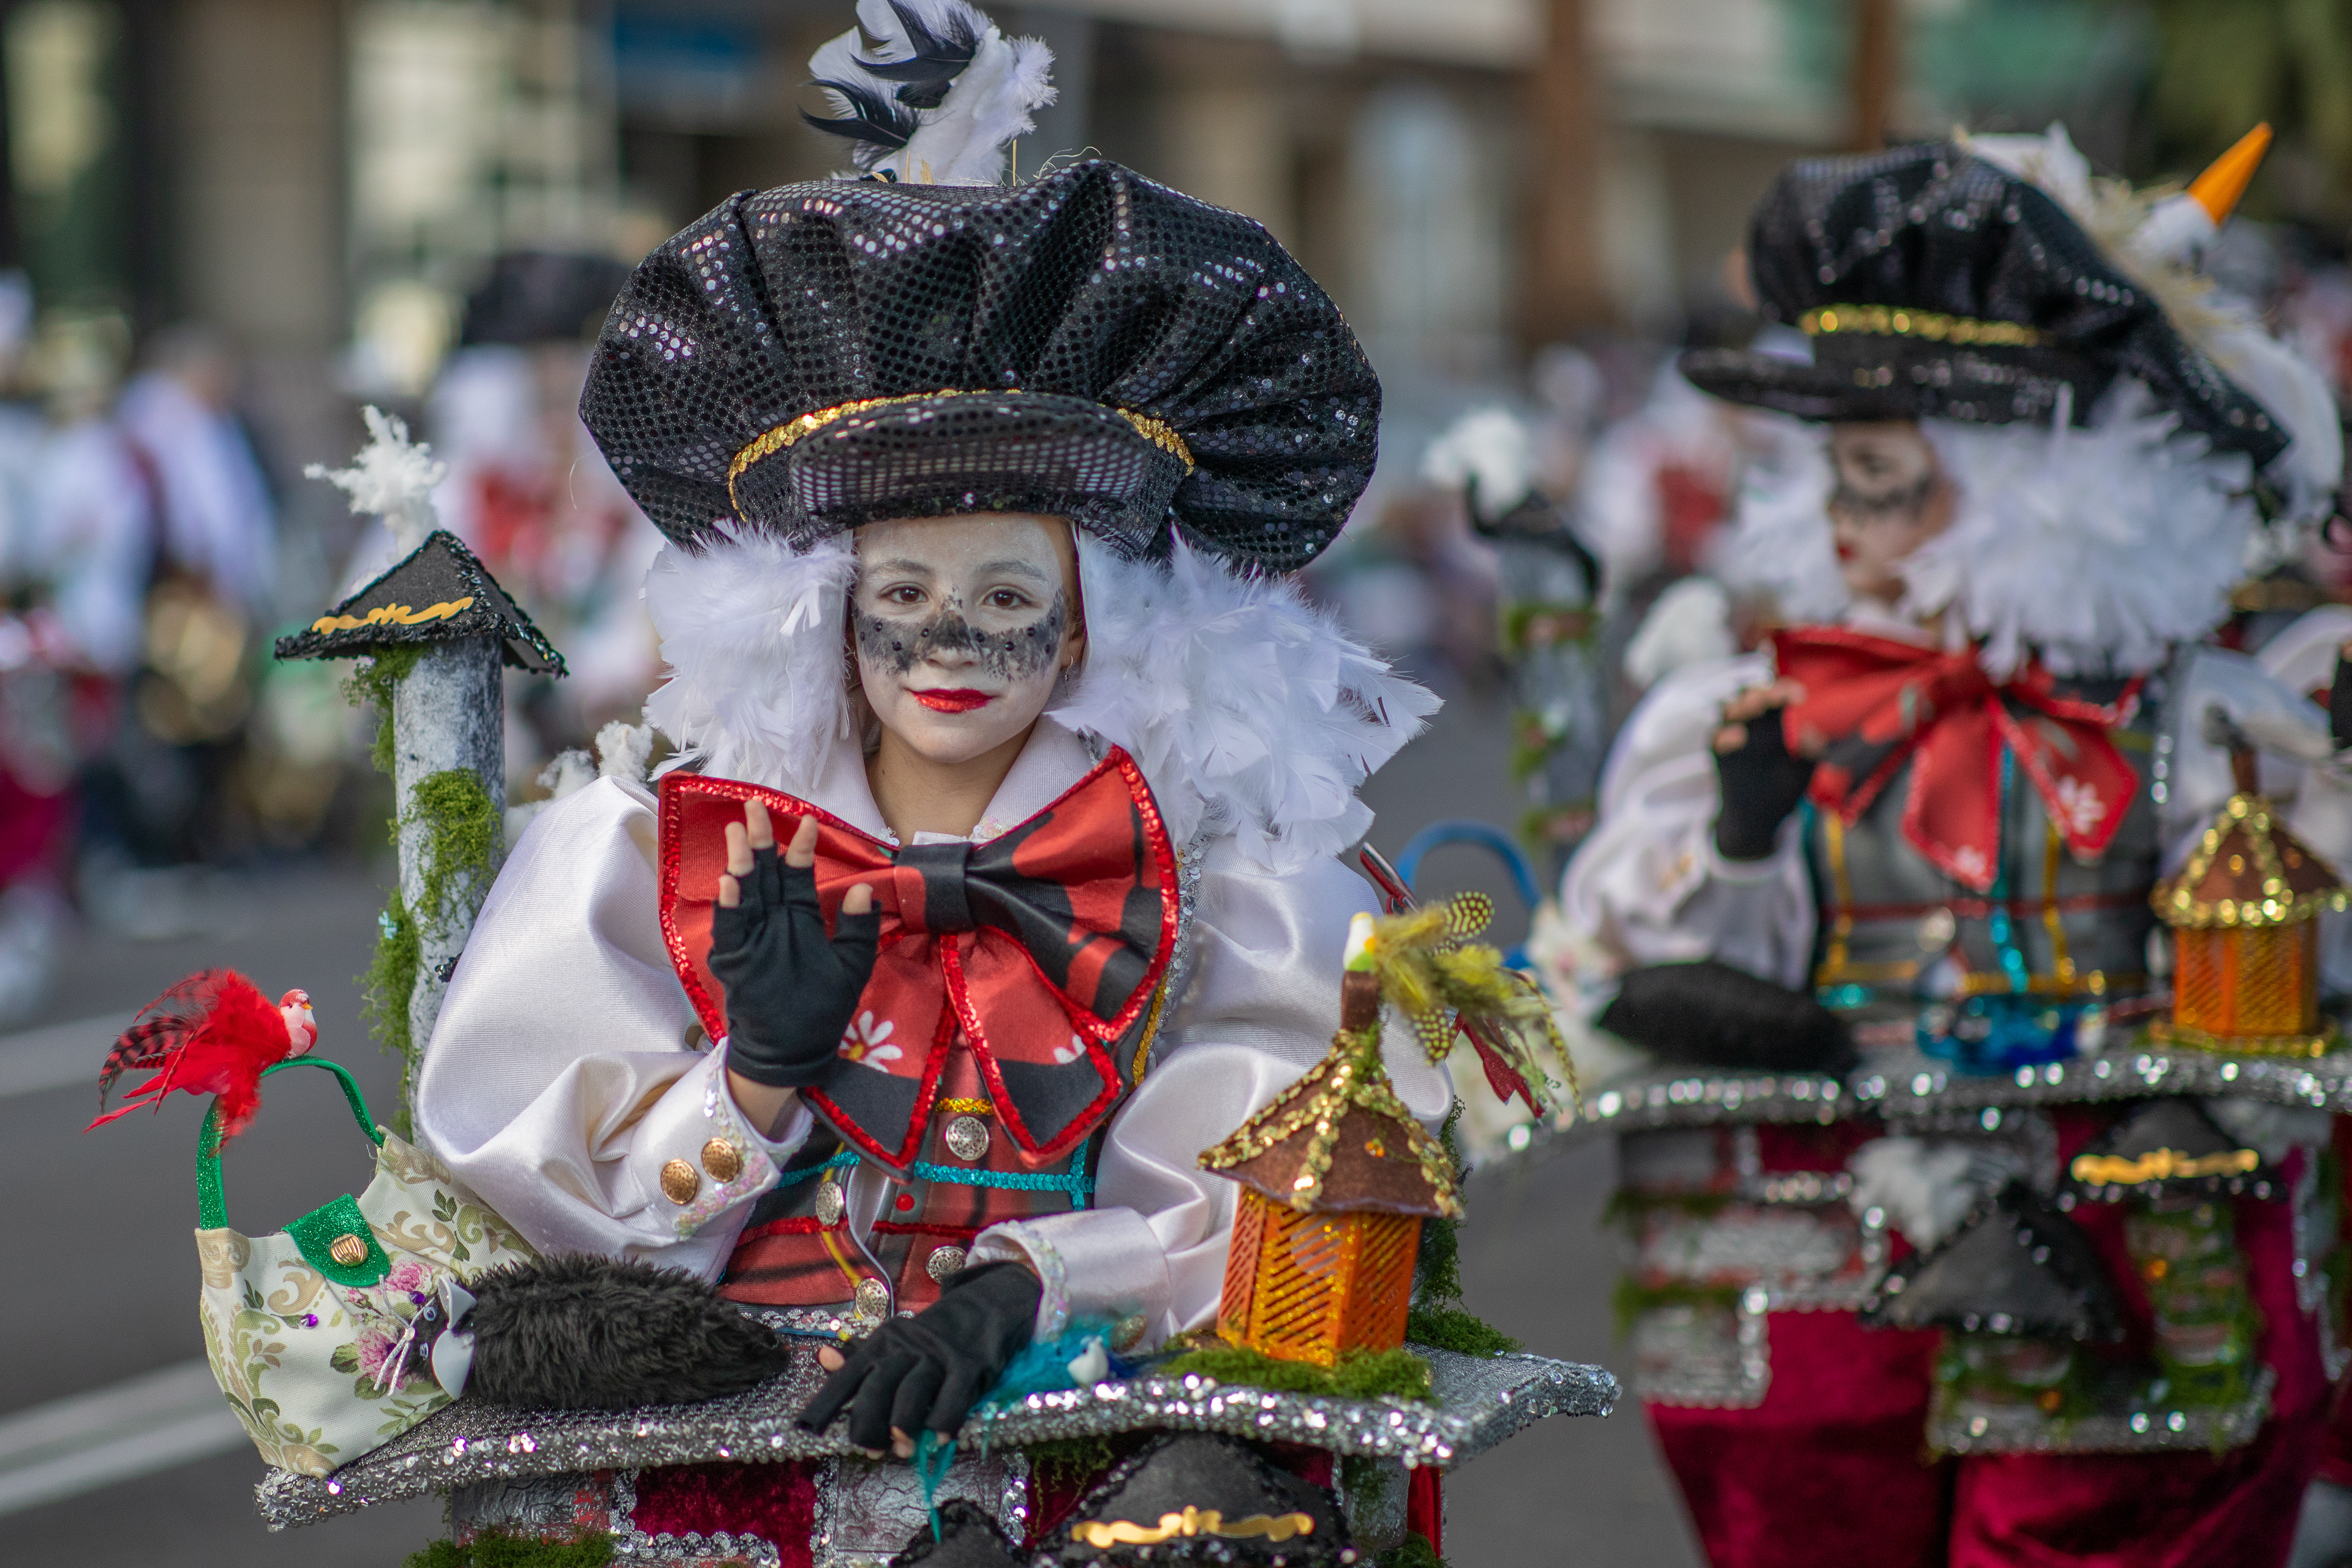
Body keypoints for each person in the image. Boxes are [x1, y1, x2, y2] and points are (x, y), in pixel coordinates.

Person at [409, 2, 1441, 1552]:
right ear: (827, 603)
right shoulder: (658, 829)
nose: (948, 640)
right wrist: (752, 1078)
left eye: (1008, 597)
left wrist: (1043, 1277)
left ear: (1094, 614)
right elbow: (537, 1196)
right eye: (900, 597)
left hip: (1089, 1460)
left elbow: (1284, 1205)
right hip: (745, 1477)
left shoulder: (1223, 863)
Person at [1557, 128, 2350, 1567]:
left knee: (2114, 1509)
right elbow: (1644, 956)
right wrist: (1745, 838)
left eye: (1888, 481)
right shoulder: (1745, 703)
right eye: (1841, 479)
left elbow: (2297, 950)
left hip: (2120, 1224)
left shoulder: (2191, 710)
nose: (1850, 532)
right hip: (1823, 1235)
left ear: (2035, 481)